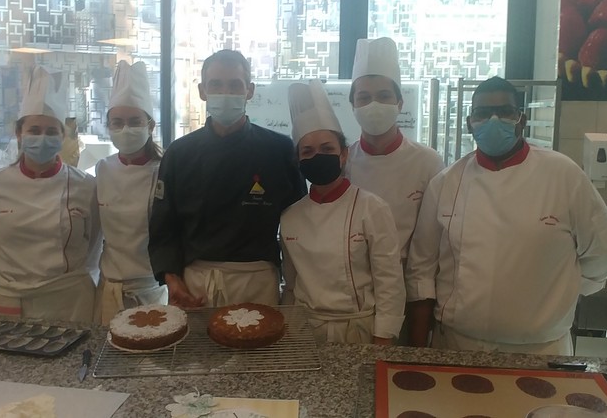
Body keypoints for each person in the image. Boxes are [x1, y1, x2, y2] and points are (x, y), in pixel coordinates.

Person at [405, 76, 607, 356]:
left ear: (521, 119)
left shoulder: (563, 175)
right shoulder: (445, 184)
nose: (493, 120)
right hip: (458, 346)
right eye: (482, 113)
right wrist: (417, 352)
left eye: (504, 112)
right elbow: (421, 271)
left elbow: (606, 256)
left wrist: (564, 287)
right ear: (469, 123)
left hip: (542, 350)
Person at [149, 49, 305, 308]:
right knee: (197, 349)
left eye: (235, 85)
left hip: (258, 281)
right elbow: (163, 225)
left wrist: (295, 285)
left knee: (257, 348)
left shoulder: (279, 150)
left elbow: (301, 223)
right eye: (216, 85)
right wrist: (171, 278)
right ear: (202, 91)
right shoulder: (180, 153)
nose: (225, 93)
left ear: (250, 90)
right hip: (195, 282)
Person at [280, 81, 404, 345]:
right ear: (299, 161)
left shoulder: (371, 208)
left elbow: (389, 281)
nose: (318, 156)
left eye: (327, 149)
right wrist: (287, 327)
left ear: (344, 154)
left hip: (358, 329)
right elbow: (291, 285)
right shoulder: (290, 217)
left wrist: (384, 335)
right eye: (308, 151)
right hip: (303, 328)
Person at [0, 65, 101, 323]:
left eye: (51, 131)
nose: (42, 138)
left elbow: (93, 247)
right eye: (34, 130)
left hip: (70, 299)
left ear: (62, 136)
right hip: (8, 298)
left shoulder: (86, 185)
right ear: (18, 133)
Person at [345, 38, 444, 260]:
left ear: (399, 104)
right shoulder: (344, 162)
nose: (374, 105)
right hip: (353, 281)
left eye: (383, 96)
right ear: (353, 106)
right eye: (364, 98)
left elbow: (432, 236)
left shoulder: (428, 162)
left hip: (408, 279)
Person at [92, 61, 167, 325]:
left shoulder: (166, 171)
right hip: (110, 289)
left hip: (153, 289)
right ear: (109, 126)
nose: (126, 129)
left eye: (134, 121)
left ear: (150, 125)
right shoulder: (102, 169)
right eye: (117, 122)